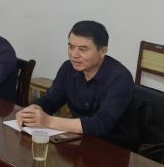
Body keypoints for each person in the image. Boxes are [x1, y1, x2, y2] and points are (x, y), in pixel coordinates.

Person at [15, 20, 137, 149]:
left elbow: (102, 124)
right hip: (79, 140)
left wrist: (49, 121)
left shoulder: (120, 78)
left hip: (114, 149)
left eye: (82, 49)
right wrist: (32, 110)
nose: (74, 55)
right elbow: (51, 99)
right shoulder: (68, 68)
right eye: (71, 47)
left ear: (102, 51)